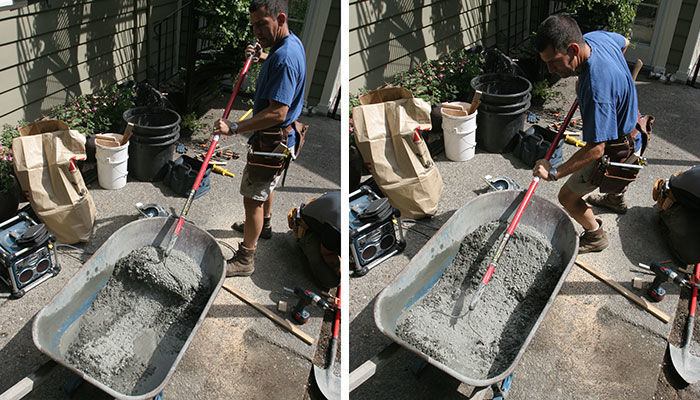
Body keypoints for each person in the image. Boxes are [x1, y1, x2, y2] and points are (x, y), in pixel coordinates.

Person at [532, 14, 642, 253]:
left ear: (573, 48)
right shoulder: (594, 39)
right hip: (636, 133)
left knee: (567, 198)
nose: (550, 70)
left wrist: (554, 172)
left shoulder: (595, 88)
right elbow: (623, 41)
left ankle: (595, 236)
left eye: (554, 62)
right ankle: (615, 197)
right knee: (619, 174)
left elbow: (596, 149)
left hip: (617, 150)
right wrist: (614, 74)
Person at [214, 0, 306, 276]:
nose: (256, 32)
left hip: (271, 140)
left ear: (279, 18)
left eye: (262, 25)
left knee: (252, 197)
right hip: (280, 142)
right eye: (253, 25)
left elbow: (278, 112)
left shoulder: (284, 59)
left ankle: (245, 259)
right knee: (266, 187)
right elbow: (279, 64)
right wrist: (262, 57)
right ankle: (264, 226)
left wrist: (234, 128)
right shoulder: (290, 44)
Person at [288, 191, 341, 289]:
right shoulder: (337, 231)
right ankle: (303, 237)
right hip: (308, 224)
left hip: (328, 214)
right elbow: (327, 253)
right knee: (330, 281)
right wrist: (337, 268)